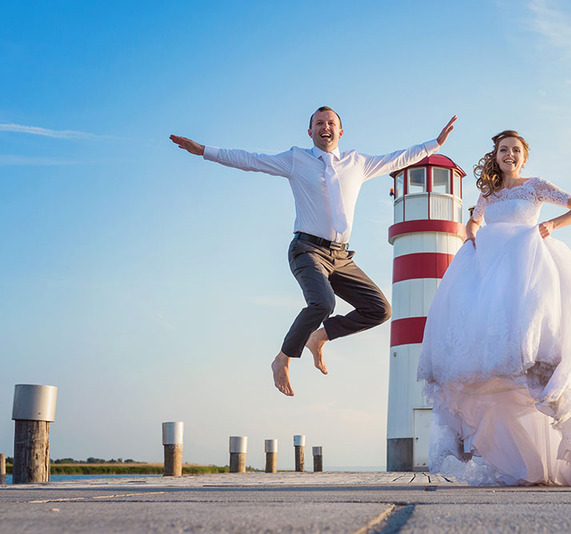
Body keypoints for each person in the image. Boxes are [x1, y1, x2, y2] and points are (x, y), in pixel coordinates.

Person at [417, 130, 571, 486]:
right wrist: (471, 232)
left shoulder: (536, 186)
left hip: (527, 271)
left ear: (524, 157)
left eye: (515, 150)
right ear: (494, 155)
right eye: (503, 150)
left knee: (536, 356)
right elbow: (475, 219)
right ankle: (521, 460)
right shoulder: (488, 191)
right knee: (493, 365)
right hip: (490, 277)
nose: (509, 155)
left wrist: (552, 224)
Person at [171, 107, 457, 396]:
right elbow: (251, 160)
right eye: (319, 123)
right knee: (323, 303)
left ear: (340, 131)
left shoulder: (357, 163)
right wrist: (205, 150)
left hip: (342, 258)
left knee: (380, 310)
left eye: (331, 123)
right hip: (307, 249)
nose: (326, 127)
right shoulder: (297, 159)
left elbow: (398, 157)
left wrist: (435, 144)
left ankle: (320, 337)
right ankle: (282, 358)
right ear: (310, 132)